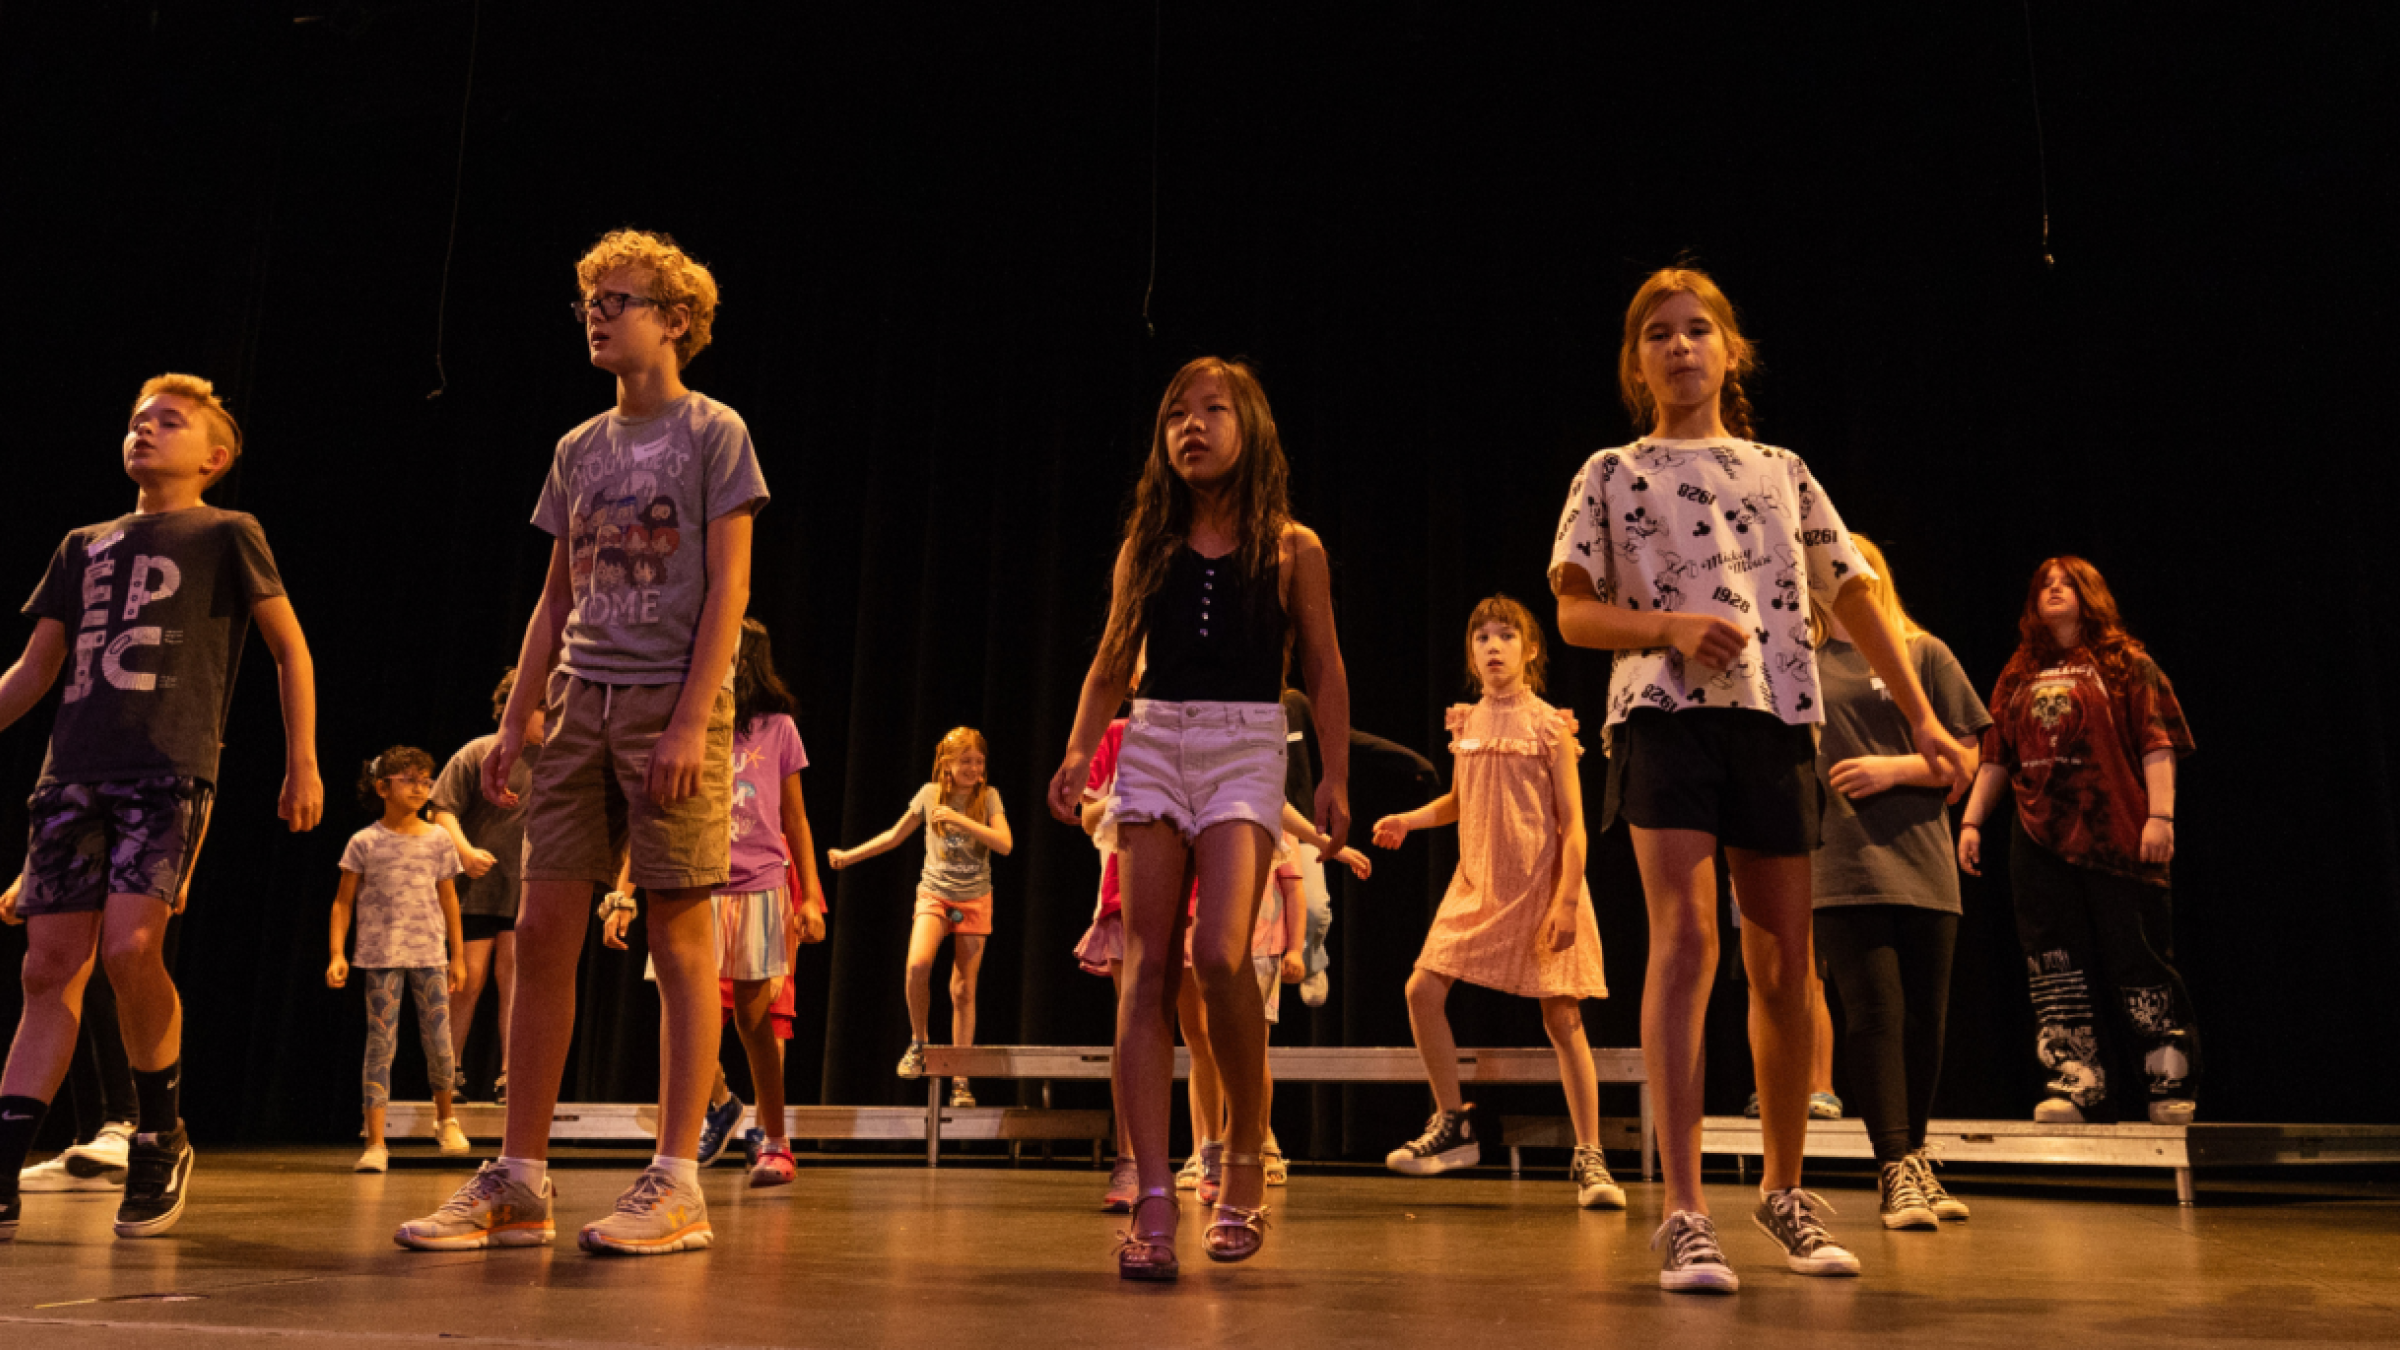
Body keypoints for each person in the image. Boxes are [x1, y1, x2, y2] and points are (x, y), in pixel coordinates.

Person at [1549, 267, 1970, 1292]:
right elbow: (1572, 613)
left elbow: (1854, 593)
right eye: (1660, 333)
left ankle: (1785, 1190)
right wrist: (1666, 627)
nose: (1682, 346)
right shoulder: (1612, 470)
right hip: (1663, 721)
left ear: (1730, 351)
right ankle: (1684, 1209)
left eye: (1699, 330)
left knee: (1784, 963)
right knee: (1687, 943)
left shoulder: (1783, 469)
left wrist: (1922, 719)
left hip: (1777, 719)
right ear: (1636, 359)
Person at [398, 229, 766, 1256]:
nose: (599, 314)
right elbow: (559, 590)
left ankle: (679, 1177)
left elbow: (730, 590)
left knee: (678, 935)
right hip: (577, 700)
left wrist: (694, 717)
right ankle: (519, 1178)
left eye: (620, 299)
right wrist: (519, 718)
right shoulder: (578, 448)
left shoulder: (714, 433)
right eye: (589, 302)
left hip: (668, 703)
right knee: (546, 930)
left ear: (676, 319)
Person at [0, 373, 322, 1244]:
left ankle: (157, 1134)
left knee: (134, 947)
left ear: (214, 456)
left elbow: (290, 651)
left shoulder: (226, 531)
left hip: (166, 771)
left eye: (169, 422)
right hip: (70, 777)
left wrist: (302, 763)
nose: (146, 430)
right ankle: (3, 1163)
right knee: (46, 968)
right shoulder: (81, 544)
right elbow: (35, 673)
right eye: (139, 420)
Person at [1047, 356, 1351, 1280]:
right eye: (1177, 413)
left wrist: (1333, 774)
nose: (1192, 426)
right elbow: (1110, 662)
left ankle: (1243, 1161)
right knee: (1146, 969)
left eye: (1213, 411)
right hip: (1155, 737)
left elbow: (1327, 668)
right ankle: (1149, 1197)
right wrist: (1074, 751)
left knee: (1221, 955)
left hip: (1247, 743)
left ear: (1249, 428)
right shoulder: (1147, 545)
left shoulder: (1294, 546)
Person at [1371, 596, 1621, 1210]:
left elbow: (1574, 824)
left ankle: (1591, 1156)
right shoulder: (1467, 721)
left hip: (1541, 884)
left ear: (1530, 650)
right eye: (1481, 636)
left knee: (1563, 1020)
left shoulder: (1549, 724)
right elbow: (1458, 801)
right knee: (1420, 991)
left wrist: (1566, 901)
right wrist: (1409, 817)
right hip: (1478, 882)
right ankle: (1452, 1121)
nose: (1492, 646)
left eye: (1506, 635)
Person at [1958, 557, 2196, 1126]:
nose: (2054, 591)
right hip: (2038, 838)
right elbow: (1995, 757)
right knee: (2054, 964)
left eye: (2066, 584)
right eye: (2045, 585)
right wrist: (1970, 822)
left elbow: (2157, 742)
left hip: (2116, 834)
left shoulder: (2126, 663)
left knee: (2137, 955)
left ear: (2090, 595)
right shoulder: (2018, 672)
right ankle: (2075, 1082)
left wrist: (2160, 817)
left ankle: (2166, 1079)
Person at [1802, 536, 1989, 1227]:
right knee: (1874, 1014)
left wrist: (1894, 769)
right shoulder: (1805, 664)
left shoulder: (1925, 654)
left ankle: (1916, 1156)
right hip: (1842, 865)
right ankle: (1893, 1169)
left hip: (1923, 865)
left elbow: (1964, 761)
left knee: (1925, 1025)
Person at [602, 617, 826, 1187]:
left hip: (756, 884)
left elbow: (795, 821)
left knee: (754, 1021)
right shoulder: (682, 724)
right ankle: (669, 1158)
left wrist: (813, 899)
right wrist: (623, 893)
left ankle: (776, 1140)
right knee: (677, 1016)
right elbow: (654, 815)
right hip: (689, 879)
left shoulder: (778, 729)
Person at [829, 727, 1011, 1108]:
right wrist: (849, 856)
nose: (974, 768)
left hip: (975, 899)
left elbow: (1005, 844)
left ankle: (961, 1080)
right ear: (946, 763)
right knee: (917, 965)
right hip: (936, 895)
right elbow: (894, 836)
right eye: (966, 761)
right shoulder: (930, 796)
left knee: (963, 990)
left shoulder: (988, 797)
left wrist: (962, 821)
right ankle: (919, 1043)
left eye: (979, 761)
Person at [328, 747, 469, 1172]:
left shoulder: (439, 840)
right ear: (383, 787)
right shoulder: (364, 841)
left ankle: (445, 1119)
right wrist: (337, 953)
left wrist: (457, 956)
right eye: (410, 780)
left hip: (429, 953)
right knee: (380, 1044)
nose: (421, 788)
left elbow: (449, 901)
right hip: (380, 953)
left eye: (426, 781)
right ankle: (375, 1142)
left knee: (440, 1043)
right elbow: (342, 902)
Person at [430, 668, 546, 1105]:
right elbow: (442, 808)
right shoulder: (479, 752)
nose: (547, 720)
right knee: (468, 976)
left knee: (515, 977)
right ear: (511, 710)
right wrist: (464, 851)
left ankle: (509, 1076)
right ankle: (449, 1070)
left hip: (524, 887)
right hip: (476, 888)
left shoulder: (552, 760)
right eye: (539, 710)